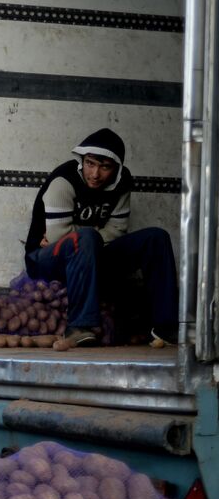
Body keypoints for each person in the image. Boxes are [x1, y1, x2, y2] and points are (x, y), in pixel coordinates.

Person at [25, 128, 179, 349]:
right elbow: (59, 236)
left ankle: (165, 326)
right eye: (90, 163)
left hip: (91, 254)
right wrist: (91, 232)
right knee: (85, 238)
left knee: (156, 238)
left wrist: (81, 232)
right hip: (44, 258)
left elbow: (117, 231)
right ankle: (79, 327)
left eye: (104, 167)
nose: (95, 174)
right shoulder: (63, 181)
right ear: (82, 161)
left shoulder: (123, 182)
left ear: (116, 168)